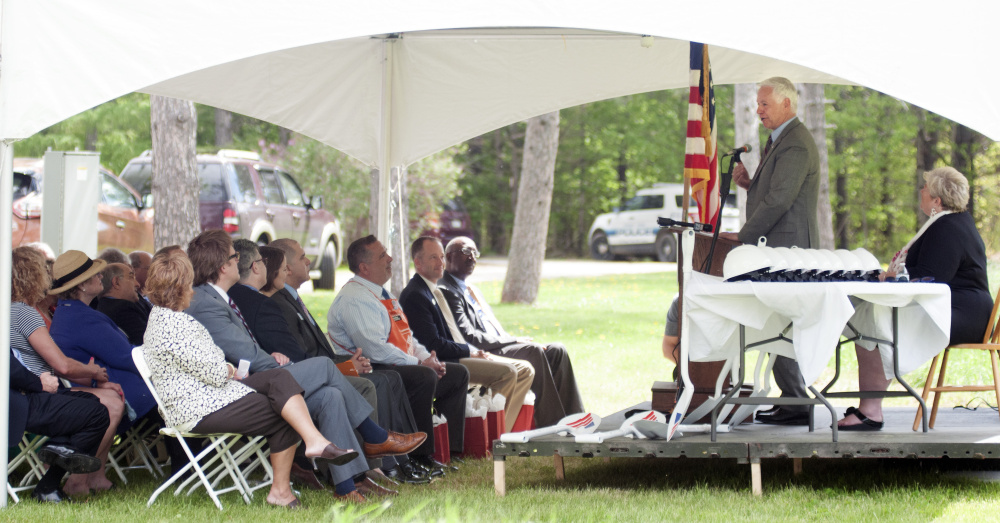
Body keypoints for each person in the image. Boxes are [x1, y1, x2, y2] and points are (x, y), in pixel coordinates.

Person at [183, 230, 424, 502]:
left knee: (330, 396)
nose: (240, 261)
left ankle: (347, 486)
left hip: (256, 380)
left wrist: (270, 357)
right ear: (223, 266)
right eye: (234, 256)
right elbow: (244, 353)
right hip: (238, 392)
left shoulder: (217, 298)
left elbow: (242, 351)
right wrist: (270, 362)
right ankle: (374, 435)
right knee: (323, 366)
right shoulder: (205, 303)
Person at [141, 249, 359, 509]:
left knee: (279, 381)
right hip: (199, 407)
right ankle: (282, 489)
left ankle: (313, 444)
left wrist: (227, 369)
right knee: (287, 410)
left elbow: (203, 366)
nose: (194, 290)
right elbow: (214, 372)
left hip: (209, 396)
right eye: (190, 284)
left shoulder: (162, 318)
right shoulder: (177, 324)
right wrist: (230, 370)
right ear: (181, 287)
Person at [838, 167, 992, 431]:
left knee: (876, 316)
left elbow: (931, 278)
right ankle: (870, 408)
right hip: (958, 307)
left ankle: (870, 411)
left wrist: (893, 278)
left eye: (925, 189)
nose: (920, 191)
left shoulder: (947, 228)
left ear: (937, 200)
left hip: (963, 314)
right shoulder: (951, 222)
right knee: (872, 314)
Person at [270, 238, 430, 484]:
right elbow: (300, 358)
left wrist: (348, 362)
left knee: (391, 378)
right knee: (378, 381)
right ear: (287, 267)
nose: (309, 260)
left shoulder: (292, 299)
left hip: (329, 367)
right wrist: (345, 366)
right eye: (303, 257)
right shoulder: (279, 303)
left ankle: (400, 458)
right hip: (307, 379)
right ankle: (378, 465)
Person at [719, 77, 819, 426]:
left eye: (764, 104)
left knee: (784, 322)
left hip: (788, 248)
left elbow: (780, 200)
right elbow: (773, 191)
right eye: (758, 104)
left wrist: (744, 237)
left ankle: (797, 401)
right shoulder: (781, 139)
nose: (758, 110)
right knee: (779, 321)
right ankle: (792, 399)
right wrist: (748, 183)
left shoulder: (795, 144)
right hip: (777, 246)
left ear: (786, 104)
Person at [327, 235, 470, 470]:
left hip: (396, 363)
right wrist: (419, 364)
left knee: (457, 374)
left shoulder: (383, 293)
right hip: (372, 367)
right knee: (423, 377)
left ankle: (449, 451)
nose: (390, 258)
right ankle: (418, 456)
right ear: (364, 267)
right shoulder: (354, 298)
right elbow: (375, 350)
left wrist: (426, 358)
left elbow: (407, 337)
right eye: (383, 255)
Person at [9, 246, 125, 496]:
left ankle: (77, 473)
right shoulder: (23, 312)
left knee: (106, 402)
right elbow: (60, 364)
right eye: (42, 271)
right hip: (34, 394)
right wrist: (94, 373)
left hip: (30, 392)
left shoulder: (11, 310)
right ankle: (72, 480)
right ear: (32, 276)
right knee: (106, 407)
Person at [438, 236, 584, 428]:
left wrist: (512, 341)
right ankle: (552, 426)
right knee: (534, 351)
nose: (473, 257)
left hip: (499, 343)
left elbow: (491, 326)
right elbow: (469, 335)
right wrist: (513, 341)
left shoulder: (472, 289)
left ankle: (578, 420)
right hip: (483, 351)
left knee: (557, 350)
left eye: (475, 253)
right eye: (466, 252)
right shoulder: (447, 289)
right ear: (449, 257)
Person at [400, 236, 534, 432]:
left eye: (441, 257)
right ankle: (490, 435)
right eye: (433, 258)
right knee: (508, 373)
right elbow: (434, 344)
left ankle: (501, 431)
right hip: (442, 361)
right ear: (418, 263)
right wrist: (469, 351)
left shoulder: (430, 290)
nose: (440, 263)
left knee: (525, 370)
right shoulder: (416, 295)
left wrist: (470, 350)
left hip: (454, 354)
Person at [49, 253, 157, 430]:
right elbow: (127, 357)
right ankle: (185, 459)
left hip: (112, 391)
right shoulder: (81, 318)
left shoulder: (70, 313)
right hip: (125, 393)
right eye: (95, 274)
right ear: (82, 285)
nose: (101, 276)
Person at [9, 351, 109, 503]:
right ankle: (48, 486)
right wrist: (39, 383)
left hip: (24, 394)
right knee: (96, 414)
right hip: (16, 402)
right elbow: (8, 368)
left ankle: (58, 449)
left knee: (92, 402)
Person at [95, 262, 150, 346]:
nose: (137, 284)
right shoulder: (122, 310)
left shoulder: (107, 305)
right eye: (131, 277)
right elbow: (148, 342)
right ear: (116, 282)